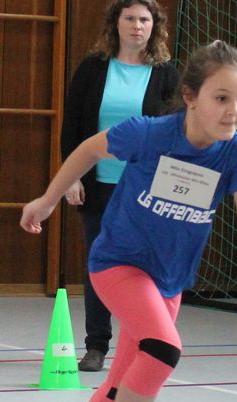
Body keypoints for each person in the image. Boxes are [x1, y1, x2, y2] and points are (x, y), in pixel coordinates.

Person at [21, 40, 237, 402]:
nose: (233, 111)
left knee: (126, 377)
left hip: (168, 280)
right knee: (162, 348)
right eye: (221, 98)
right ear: (191, 96)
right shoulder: (150, 133)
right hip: (118, 263)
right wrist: (49, 198)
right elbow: (88, 150)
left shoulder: (235, 154)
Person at [62, 0, 179, 373]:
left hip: (147, 190)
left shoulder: (166, 74)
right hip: (99, 186)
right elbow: (72, 125)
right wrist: (72, 177)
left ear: (154, 26)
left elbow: (178, 130)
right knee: (100, 265)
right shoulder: (93, 69)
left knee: (145, 268)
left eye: (144, 19)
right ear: (116, 23)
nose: (137, 25)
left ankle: (144, 341)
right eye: (129, 18)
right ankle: (96, 345)